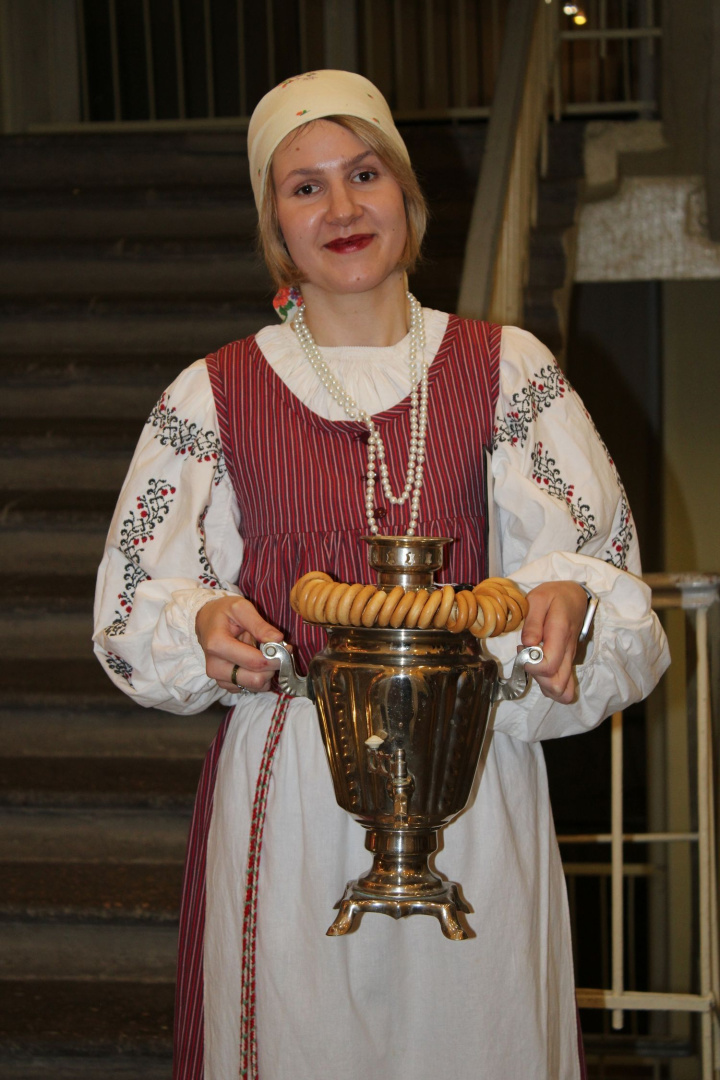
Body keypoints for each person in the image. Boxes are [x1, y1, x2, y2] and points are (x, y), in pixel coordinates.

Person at [93, 70, 669, 1080]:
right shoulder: (212, 394)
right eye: (304, 186)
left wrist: (566, 600)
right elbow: (138, 594)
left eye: (364, 174)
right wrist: (203, 622)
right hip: (296, 784)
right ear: (275, 225)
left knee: (476, 1039)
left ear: (406, 191)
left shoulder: (508, 370)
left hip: (472, 773)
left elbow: (596, 560)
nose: (342, 208)